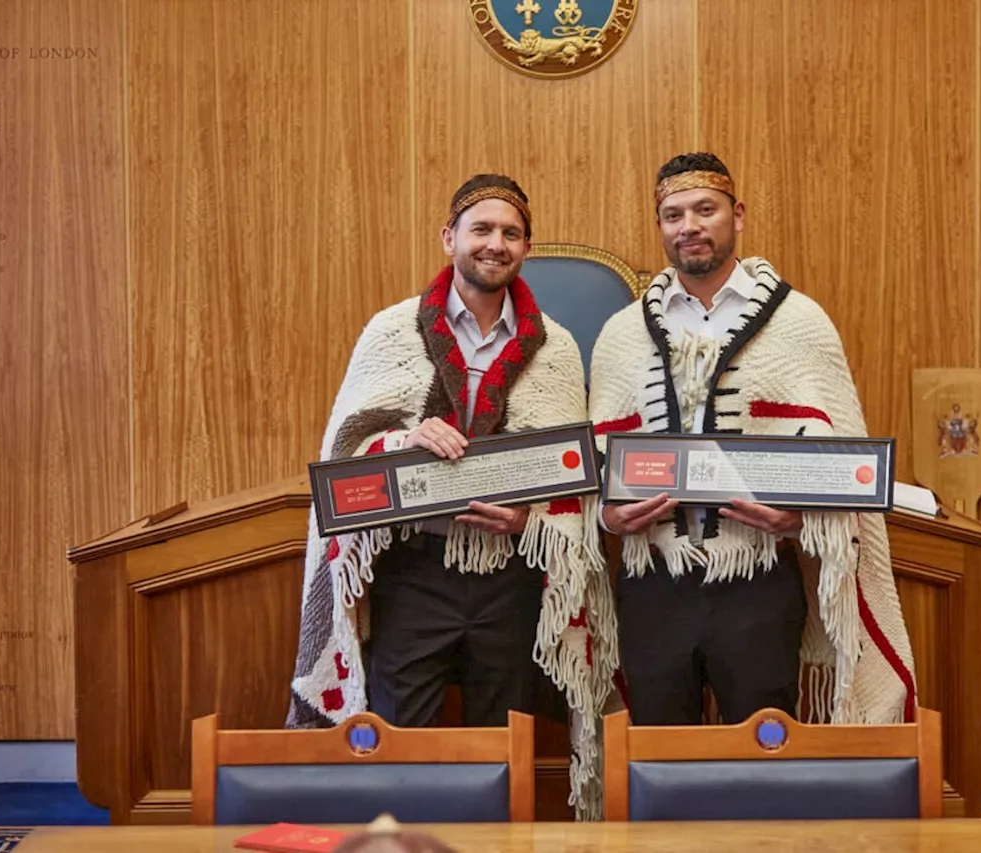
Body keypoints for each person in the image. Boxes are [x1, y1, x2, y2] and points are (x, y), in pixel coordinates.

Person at [286, 174, 617, 819]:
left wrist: (528, 520)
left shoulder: (554, 349)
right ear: (450, 238)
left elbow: (573, 478)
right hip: (414, 573)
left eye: (510, 233)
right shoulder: (392, 331)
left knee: (507, 746)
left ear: (526, 246)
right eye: (481, 230)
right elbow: (348, 445)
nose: (495, 244)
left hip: (512, 580)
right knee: (401, 741)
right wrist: (407, 437)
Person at [588, 152, 916, 727]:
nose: (688, 226)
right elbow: (595, 460)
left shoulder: (799, 322)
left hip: (758, 579)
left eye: (704, 210)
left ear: (737, 215)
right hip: (653, 580)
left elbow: (840, 453)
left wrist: (802, 519)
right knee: (654, 756)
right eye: (672, 215)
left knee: (764, 745)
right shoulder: (621, 333)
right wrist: (610, 519)